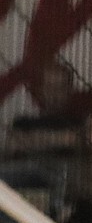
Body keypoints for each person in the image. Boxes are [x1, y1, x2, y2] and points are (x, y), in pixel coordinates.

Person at [0, 59, 83, 190]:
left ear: (69, 90)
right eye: (49, 87)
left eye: (59, 88)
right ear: (40, 90)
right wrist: (60, 139)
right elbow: (12, 146)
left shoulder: (81, 123)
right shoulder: (22, 122)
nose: (54, 93)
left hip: (63, 187)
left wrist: (29, 141)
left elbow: (74, 140)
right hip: (21, 188)